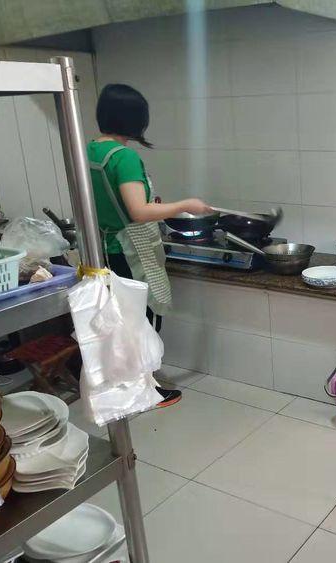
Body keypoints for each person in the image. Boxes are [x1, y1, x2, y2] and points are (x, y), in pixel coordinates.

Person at [88, 83, 212, 408]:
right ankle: (147, 390)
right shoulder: (124, 157)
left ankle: (129, 383)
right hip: (131, 249)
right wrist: (185, 205)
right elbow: (138, 212)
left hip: (105, 248)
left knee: (123, 321)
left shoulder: (89, 151)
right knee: (143, 320)